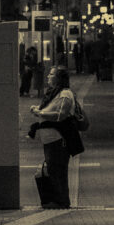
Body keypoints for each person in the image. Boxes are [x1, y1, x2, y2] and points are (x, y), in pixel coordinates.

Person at [27, 66, 77, 209]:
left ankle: (62, 201)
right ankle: (58, 200)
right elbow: (51, 109)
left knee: (58, 170)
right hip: (50, 140)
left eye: (51, 74)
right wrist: (38, 109)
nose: (48, 76)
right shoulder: (53, 93)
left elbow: (60, 115)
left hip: (59, 140)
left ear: (59, 78)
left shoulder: (65, 94)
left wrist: (40, 113)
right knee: (53, 170)